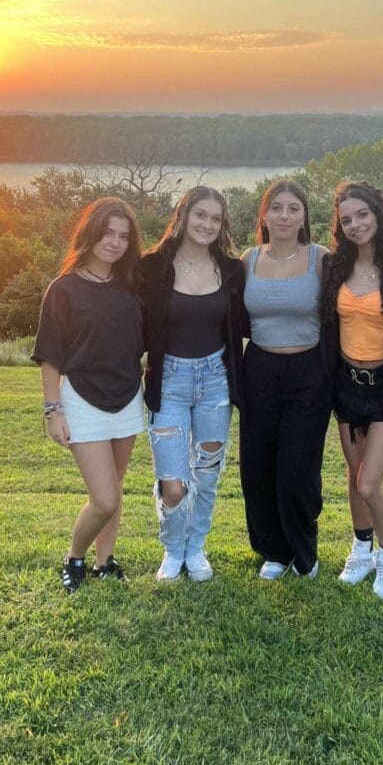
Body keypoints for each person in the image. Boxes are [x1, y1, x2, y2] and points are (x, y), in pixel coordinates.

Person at [32, 197, 144, 593]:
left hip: (128, 396)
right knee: (106, 498)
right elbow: (50, 356)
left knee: (116, 484)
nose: (114, 243)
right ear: (90, 234)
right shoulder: (63, 289)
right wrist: (53, 411)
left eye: (123, 236)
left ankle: (104, 562)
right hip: (82, 399)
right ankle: (74, 558)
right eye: (107, 233)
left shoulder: (133, 286)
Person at [140, 186, 245, 582]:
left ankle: (196, 547)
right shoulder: (153, 267)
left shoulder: (232, 270)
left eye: (216, 218)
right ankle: (172, 550)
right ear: (183, 215)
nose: (207, 224)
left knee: (207, 474)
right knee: (173, 484)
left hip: (216, 381)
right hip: (169, 381)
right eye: (201, 215)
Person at [321, 181, 383, 599]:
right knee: (352, 474)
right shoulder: (334, 267)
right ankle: (361, 548)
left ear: (379, 214)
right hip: (346, 385)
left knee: (368, 483)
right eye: (347, 219)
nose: (356, 224)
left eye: (363, 214)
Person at [240, 178, 331, 579]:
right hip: (258, 370)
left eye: (294, 208)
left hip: (309, 373)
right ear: (264, 214)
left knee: (298, 471)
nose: (284, 215)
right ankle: (273, 552)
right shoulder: (247, 259)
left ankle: (303, 553)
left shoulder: (321, 259)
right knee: (257, 467)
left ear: (304, 217)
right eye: (277, 207)